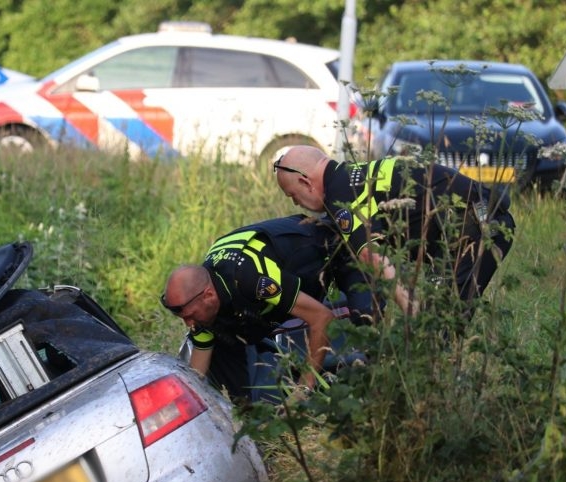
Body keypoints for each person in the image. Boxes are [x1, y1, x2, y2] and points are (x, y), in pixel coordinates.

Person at [273, 146, 515, 323]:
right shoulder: (352, 176)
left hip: (483, 227)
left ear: (306, 182)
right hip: (478, 221)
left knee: (441, 324)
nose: (297, 204)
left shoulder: (340, 195)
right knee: (441, 320)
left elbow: (372, 254)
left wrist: (412, 310)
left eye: (293, 195)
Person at [162, 215, 358, 404]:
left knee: (361, 311)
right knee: (221, 345)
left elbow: (322, 317)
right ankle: (249, 410)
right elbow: (197, 372)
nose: (189, 324)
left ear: (208, 296)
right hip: (266, 272)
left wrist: (303, 389)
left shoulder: (250, 278)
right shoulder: (205, 297)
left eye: (190, 316)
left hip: (329, 246)